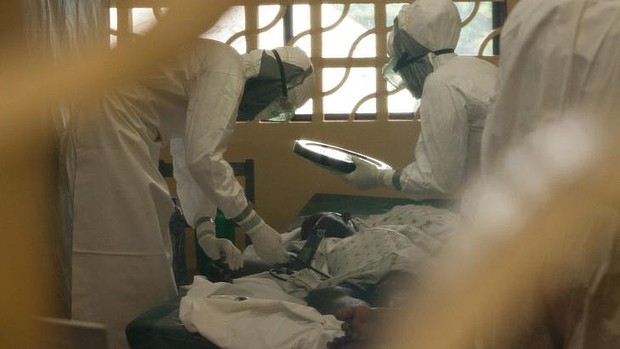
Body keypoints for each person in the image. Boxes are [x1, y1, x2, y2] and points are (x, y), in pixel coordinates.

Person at [66, 39, 314, 349]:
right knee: (129, 251)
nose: (266, 111)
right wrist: (257, 228)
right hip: (110, 125)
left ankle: (129, 335)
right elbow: (204, 159)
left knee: (143, 242)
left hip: (118, 125)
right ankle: (117, 339)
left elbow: (187, 158)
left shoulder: (214, 73)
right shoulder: (227, 68)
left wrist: (205, 229)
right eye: (278, 103)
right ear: (274, 79)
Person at [338, 0, 497, 200]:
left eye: (396, 62)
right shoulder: (478, 67)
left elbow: (438, 179)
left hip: (501, 206)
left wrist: (379, 177)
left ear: (409, 57)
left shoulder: (440, 83)